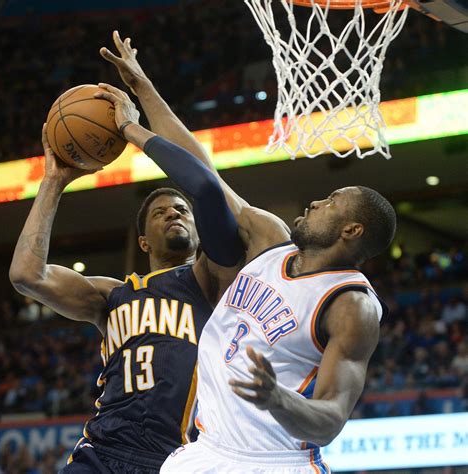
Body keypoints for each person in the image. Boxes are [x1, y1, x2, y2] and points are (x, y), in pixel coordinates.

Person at [99, 32, 396, 474]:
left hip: (275, 462)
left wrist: (278, 398)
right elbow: (201, 170)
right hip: (205, 452)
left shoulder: (351, 305)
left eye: (332, 201)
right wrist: (143, 89)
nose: (317, 202)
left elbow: (330, 420)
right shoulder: (269, 238)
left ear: (351, 230)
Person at [9, 99, 244, 472]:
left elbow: (207, 190)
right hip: (103, 451)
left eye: (182, 210)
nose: (173, 212)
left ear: (200, 234)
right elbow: (27, 275)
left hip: (177, 459)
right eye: (160, 212)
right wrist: (53, 182)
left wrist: (132, 131)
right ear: (143, 243)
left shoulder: (211, 280)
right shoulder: (111, 295)